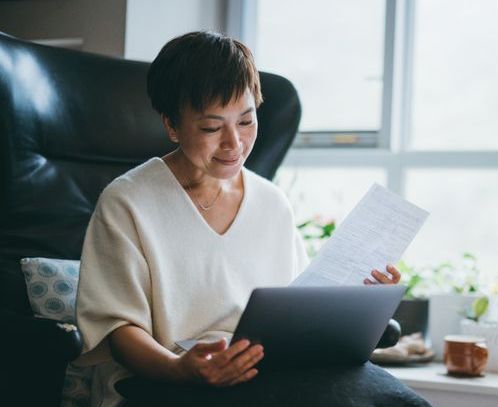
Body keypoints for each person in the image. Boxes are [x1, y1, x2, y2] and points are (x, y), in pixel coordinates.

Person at [74, 31, 405, 406]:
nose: (234, 144)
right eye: (212, 128)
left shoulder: (272, 202)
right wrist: (179, 369)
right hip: (164, 381)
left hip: (271, 371)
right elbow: (118, 329)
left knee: (392, 399)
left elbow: (297, 310)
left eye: (246, 122)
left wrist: (360, 303)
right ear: (171, 125)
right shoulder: (127, 201)